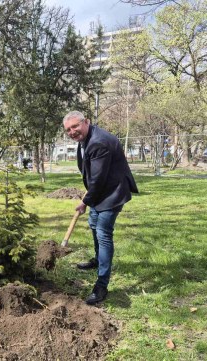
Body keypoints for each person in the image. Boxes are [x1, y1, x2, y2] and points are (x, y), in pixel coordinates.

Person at [63, 111, 139, 305]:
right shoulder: (88, 138)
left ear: (86, 122)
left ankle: (102, 284)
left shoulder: (99, 142)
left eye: (75, 126)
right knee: (94, 224)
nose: (72, 131)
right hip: (101, 192)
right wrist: (89, 198)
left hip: (112, 193)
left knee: (103, 234)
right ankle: (98, 260)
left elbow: (98, 180)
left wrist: (85, 201)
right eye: (68, 129)